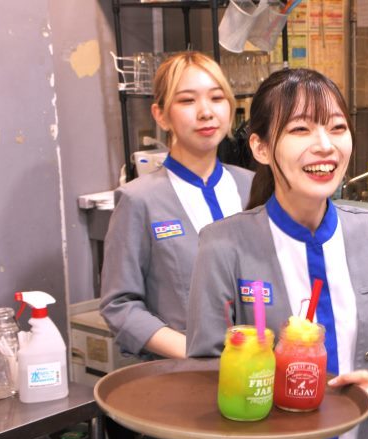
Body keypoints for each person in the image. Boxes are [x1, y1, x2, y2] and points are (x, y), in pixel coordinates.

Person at [187, 68, 368, 439]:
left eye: (337, 127)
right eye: (300, 129)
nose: (325, 145)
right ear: (261, 147)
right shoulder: (222, 246)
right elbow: (204, 375)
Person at [100, 51, 254, 361]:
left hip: (258, 369)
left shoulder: (253, 187)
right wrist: (193, 353)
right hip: (183, 373)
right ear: (161, 115)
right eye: (187, 100)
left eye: (217, 98)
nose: (206, 112)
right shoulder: (139, 200)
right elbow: (119, 306)